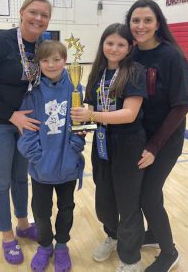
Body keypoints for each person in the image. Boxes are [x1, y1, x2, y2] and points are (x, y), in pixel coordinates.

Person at [0, 0, 52, 265]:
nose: (38, 19)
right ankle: (7, 236)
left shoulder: (42, 46)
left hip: (25, 124)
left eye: (44, 15)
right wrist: (10, 115)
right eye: (33, 12)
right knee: (1, 181)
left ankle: (23, 224)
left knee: (20, 177)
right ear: (21, 12)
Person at [71, 23, 148, 272]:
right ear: (102, 44)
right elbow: (90, 105)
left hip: (128, 144)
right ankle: (112, 236)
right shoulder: (97, 72)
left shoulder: (135, 71)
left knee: (127, 202)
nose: (114, 48)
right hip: (102, 142)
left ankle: (130, 257)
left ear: (129, 47)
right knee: (104, 199)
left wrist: (92, 115)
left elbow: (129, 114)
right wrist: (82, 121)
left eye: (120, 44)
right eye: (109, 43)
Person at [126, 0, 188, 272]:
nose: (141, 26)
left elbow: (181, 106)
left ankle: (169, 252)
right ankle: (153, 233)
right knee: (143, 192)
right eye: (135, 20)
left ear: (157, 24)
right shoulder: (132, 54)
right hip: (141, 137)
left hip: (164, 140)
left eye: (147, 20)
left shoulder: (172, 56)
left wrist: (154, 146)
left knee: (148, 194)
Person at [17, 40, 85, 272]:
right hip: (41, 169)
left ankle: (62, 246)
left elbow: (81, 126)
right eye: (45, 60)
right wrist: (37, 157)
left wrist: (75, 148)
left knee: (66, 208)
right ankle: (45, 247)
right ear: (39, 63)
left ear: (65, 60)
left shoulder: (76, 88)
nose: (51, 64)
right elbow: (26, 130)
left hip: (68, 166)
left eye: (57, 59)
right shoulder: (32, 91)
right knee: (41, 212)